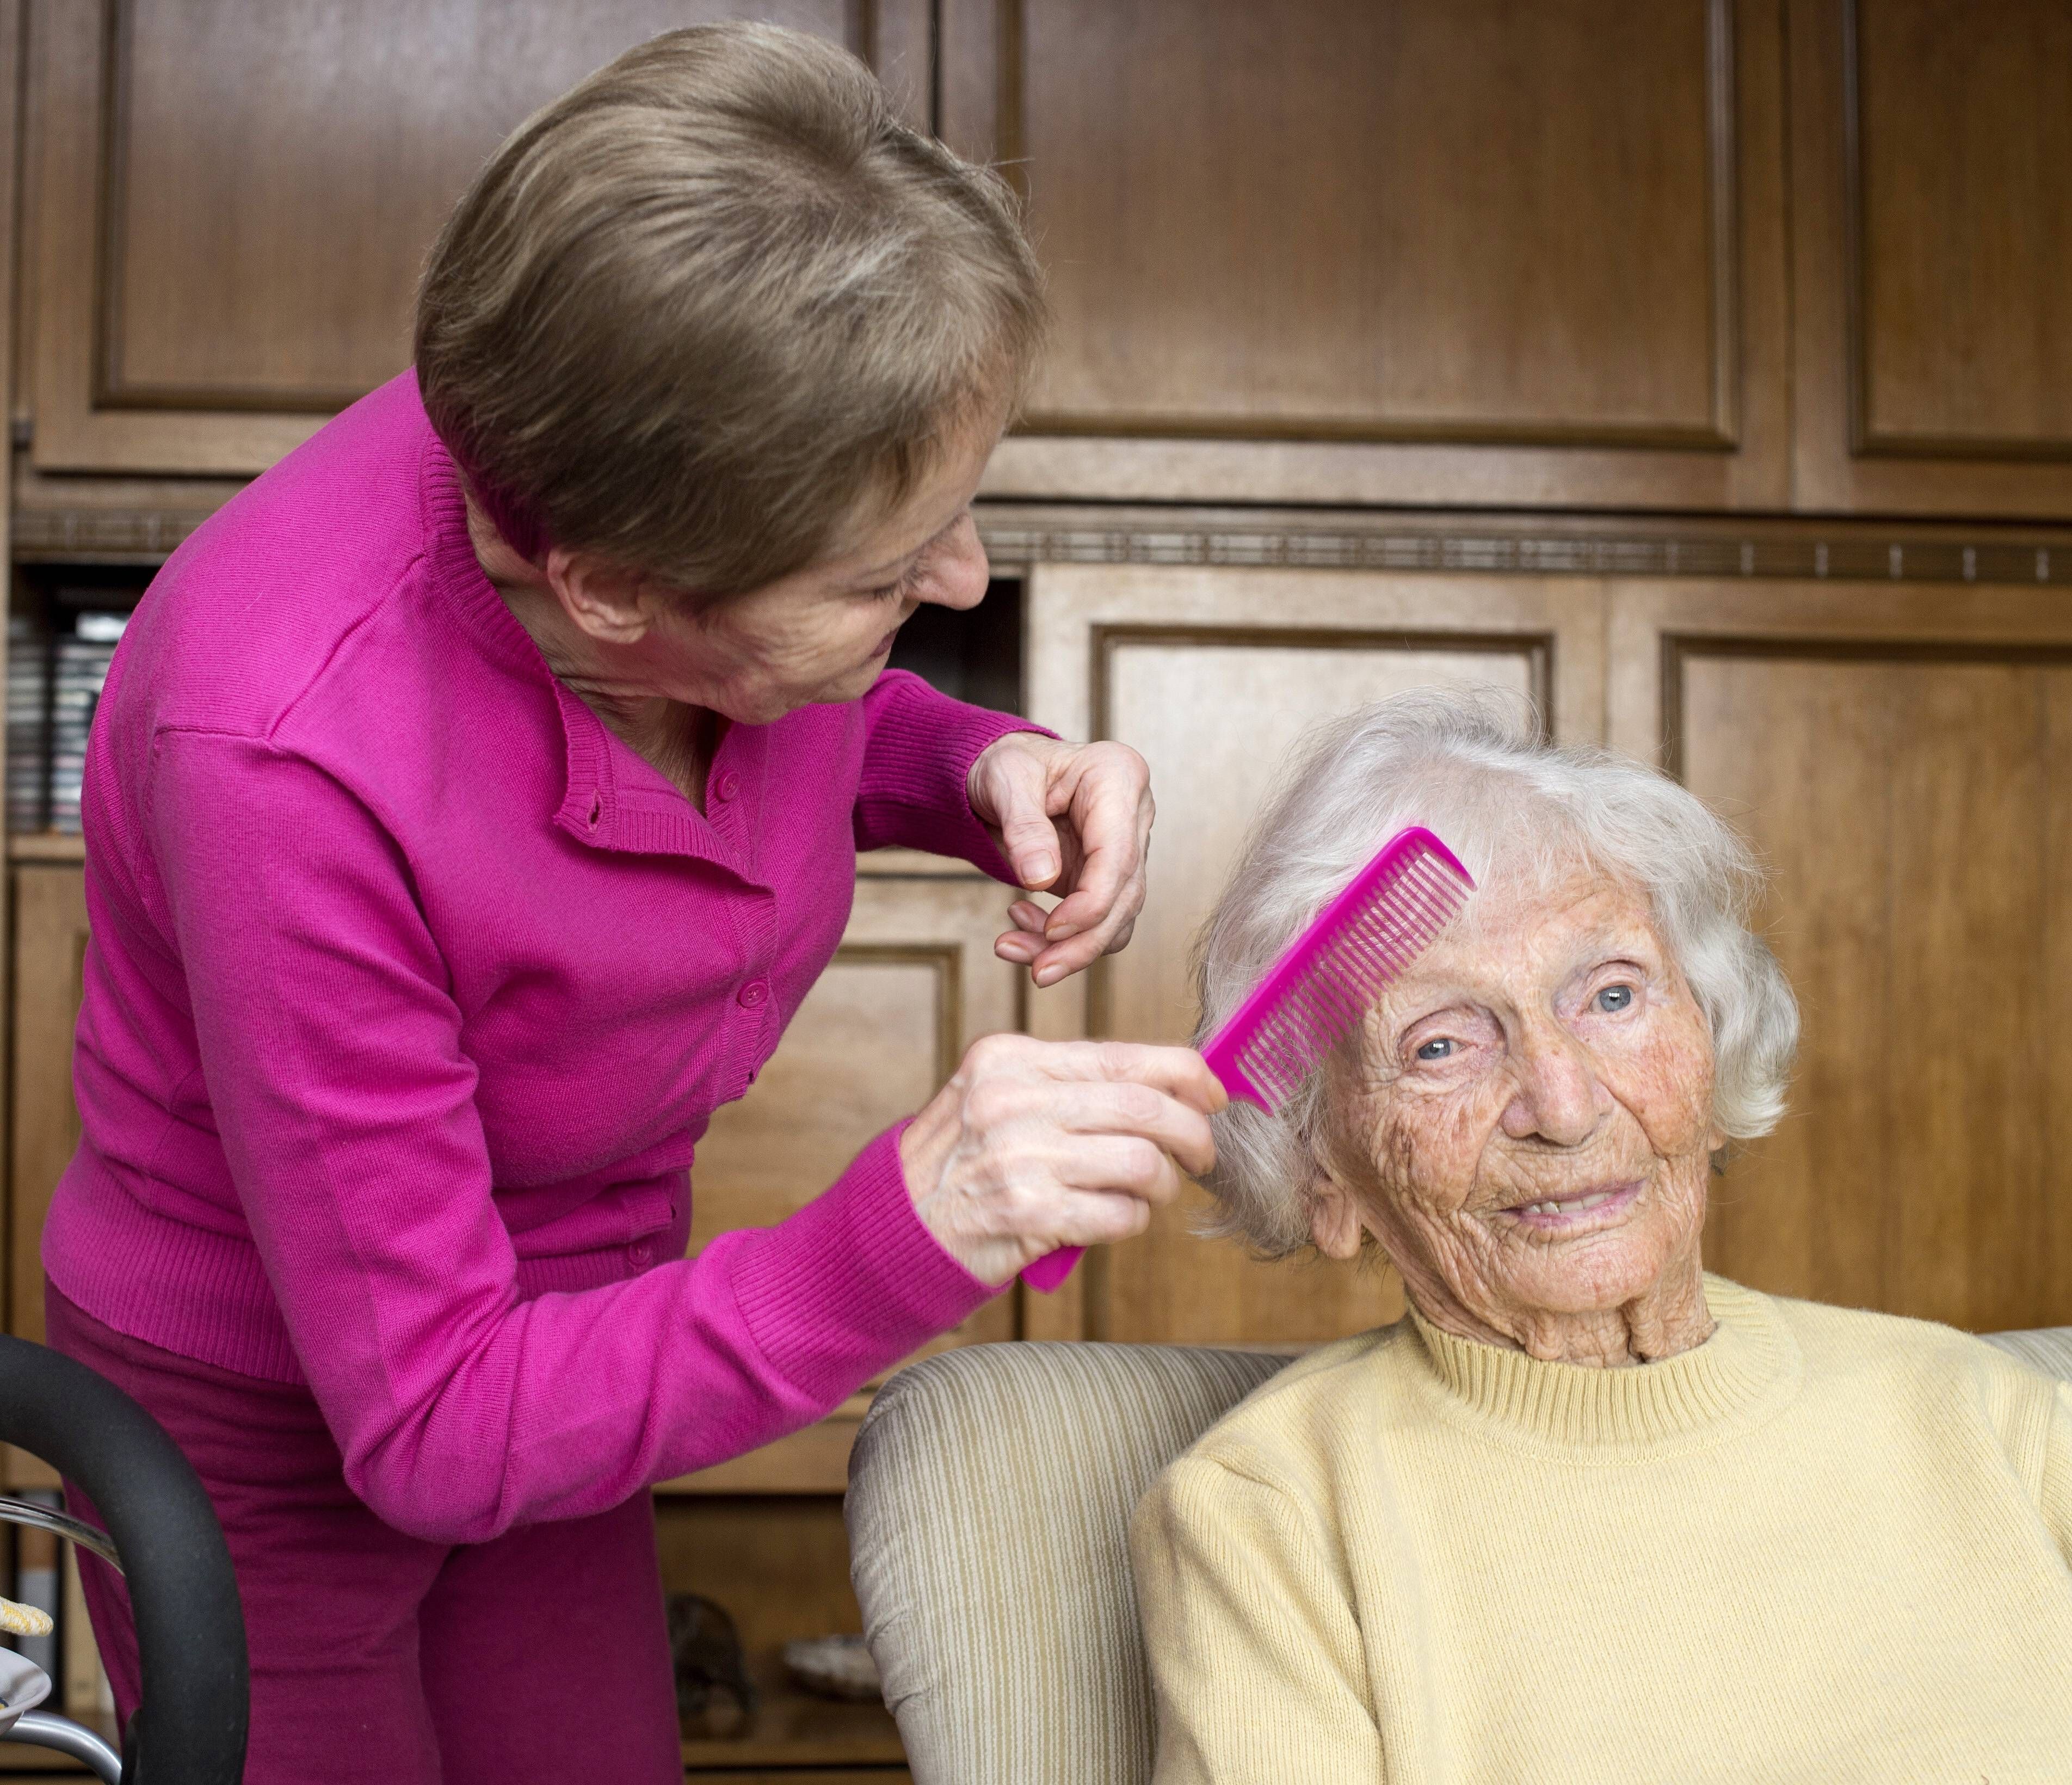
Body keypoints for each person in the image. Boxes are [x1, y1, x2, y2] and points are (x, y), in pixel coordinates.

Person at [41, 24, 1221, 1785]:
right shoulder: (282, 751)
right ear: (604, 589)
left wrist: (967, 764)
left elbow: (785, 699)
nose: (962, 580)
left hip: (579, 1337)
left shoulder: (643, 486)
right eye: (891, 574)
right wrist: (911, 1222)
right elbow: (434, 1420)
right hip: (278, 1426)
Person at [1132, 688, 2072, 1783]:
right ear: (1322, 1169)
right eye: (1443, 1044)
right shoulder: (1273, 1514)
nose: (1561, 1100)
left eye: (1609, 993)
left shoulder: (1988, 1416)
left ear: (1713, 1033)